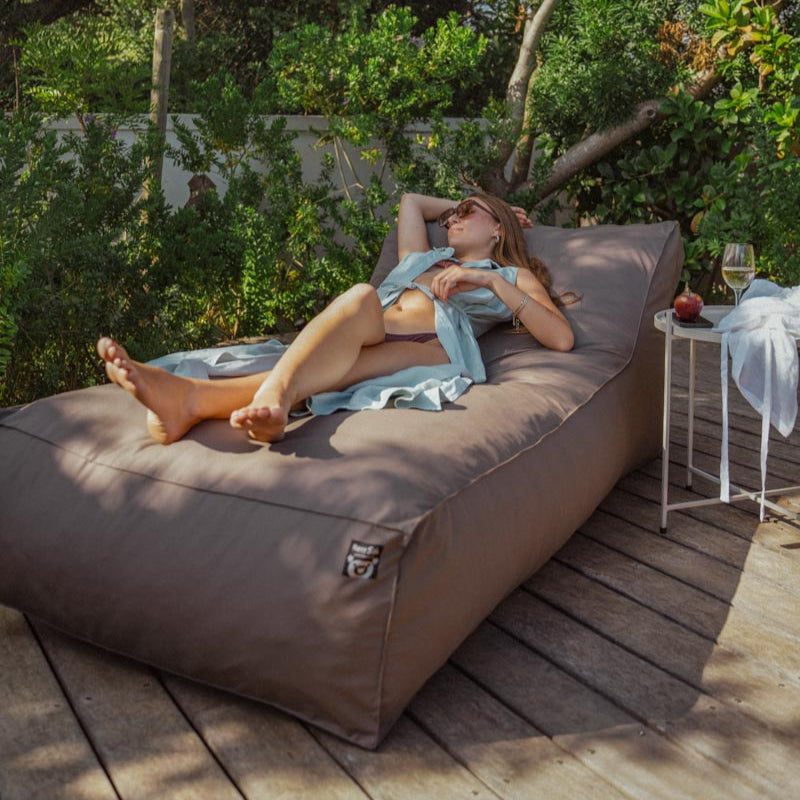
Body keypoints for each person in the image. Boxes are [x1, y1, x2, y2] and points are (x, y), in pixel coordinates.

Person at [97, 192, 574, 445]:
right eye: (454, 212)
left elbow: (561, 338)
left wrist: (490, 280)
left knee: (339, 346)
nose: (453, 218)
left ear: (498, 228)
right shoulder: (423, 258)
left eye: (470, 213)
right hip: (370, 329)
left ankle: (223, 400)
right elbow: (411, 200)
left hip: (428, 345)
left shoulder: (508, 274)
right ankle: (191, 403)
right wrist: (467, 207)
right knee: (355, 311)